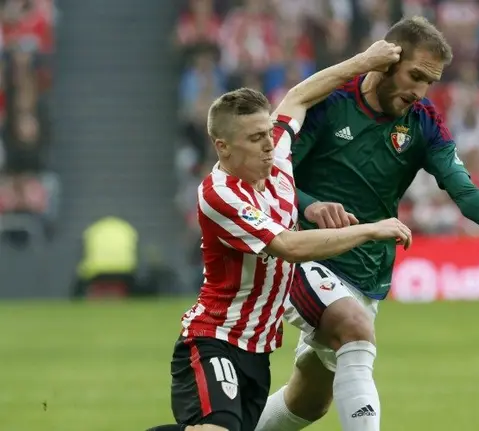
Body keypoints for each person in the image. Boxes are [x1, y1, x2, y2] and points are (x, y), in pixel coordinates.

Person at [256, 16, 479, 431]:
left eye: (429, 82)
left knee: (307, 402)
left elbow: (463, 191)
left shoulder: (424, 121)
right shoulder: (330, 102)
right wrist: (312, 206)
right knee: (355, 331)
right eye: (414, 75)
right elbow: (273, 178)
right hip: (302, 254)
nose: (419, 91)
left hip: (367, 271)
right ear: (385, 62)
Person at [147, 40, 407, 431]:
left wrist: (364, 62)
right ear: (223, 147)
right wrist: (368, 230)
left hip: (258, 350)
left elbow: (299, 96)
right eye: (255, 138)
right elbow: (287, 246)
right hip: (213, 339)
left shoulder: (278, 161)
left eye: (269, 132)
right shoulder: (219, 194)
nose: (269, 145)